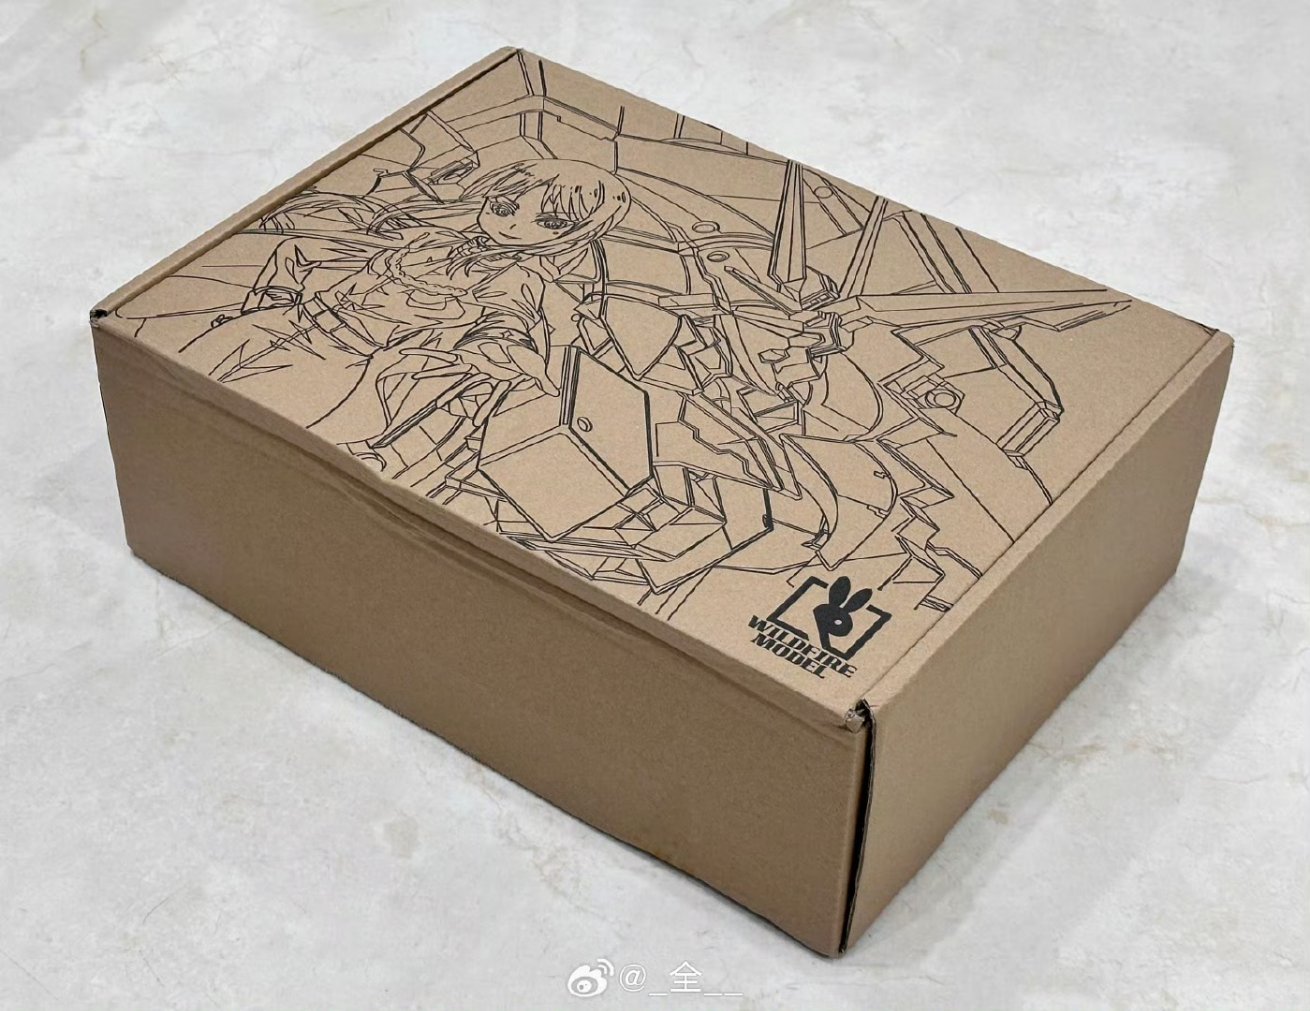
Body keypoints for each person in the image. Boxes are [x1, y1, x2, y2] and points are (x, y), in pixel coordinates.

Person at [179, 159, 631, 448]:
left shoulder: (520, 280)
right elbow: (325, 251)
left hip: (339, 360)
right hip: (284, 320)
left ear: (574, 236)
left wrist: (514, 355)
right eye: (503, 207)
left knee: (248, 432)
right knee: (185, 377)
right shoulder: (433, 238)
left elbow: (504, 325)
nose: (514, 225)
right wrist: (273, 301)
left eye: (550, 222)